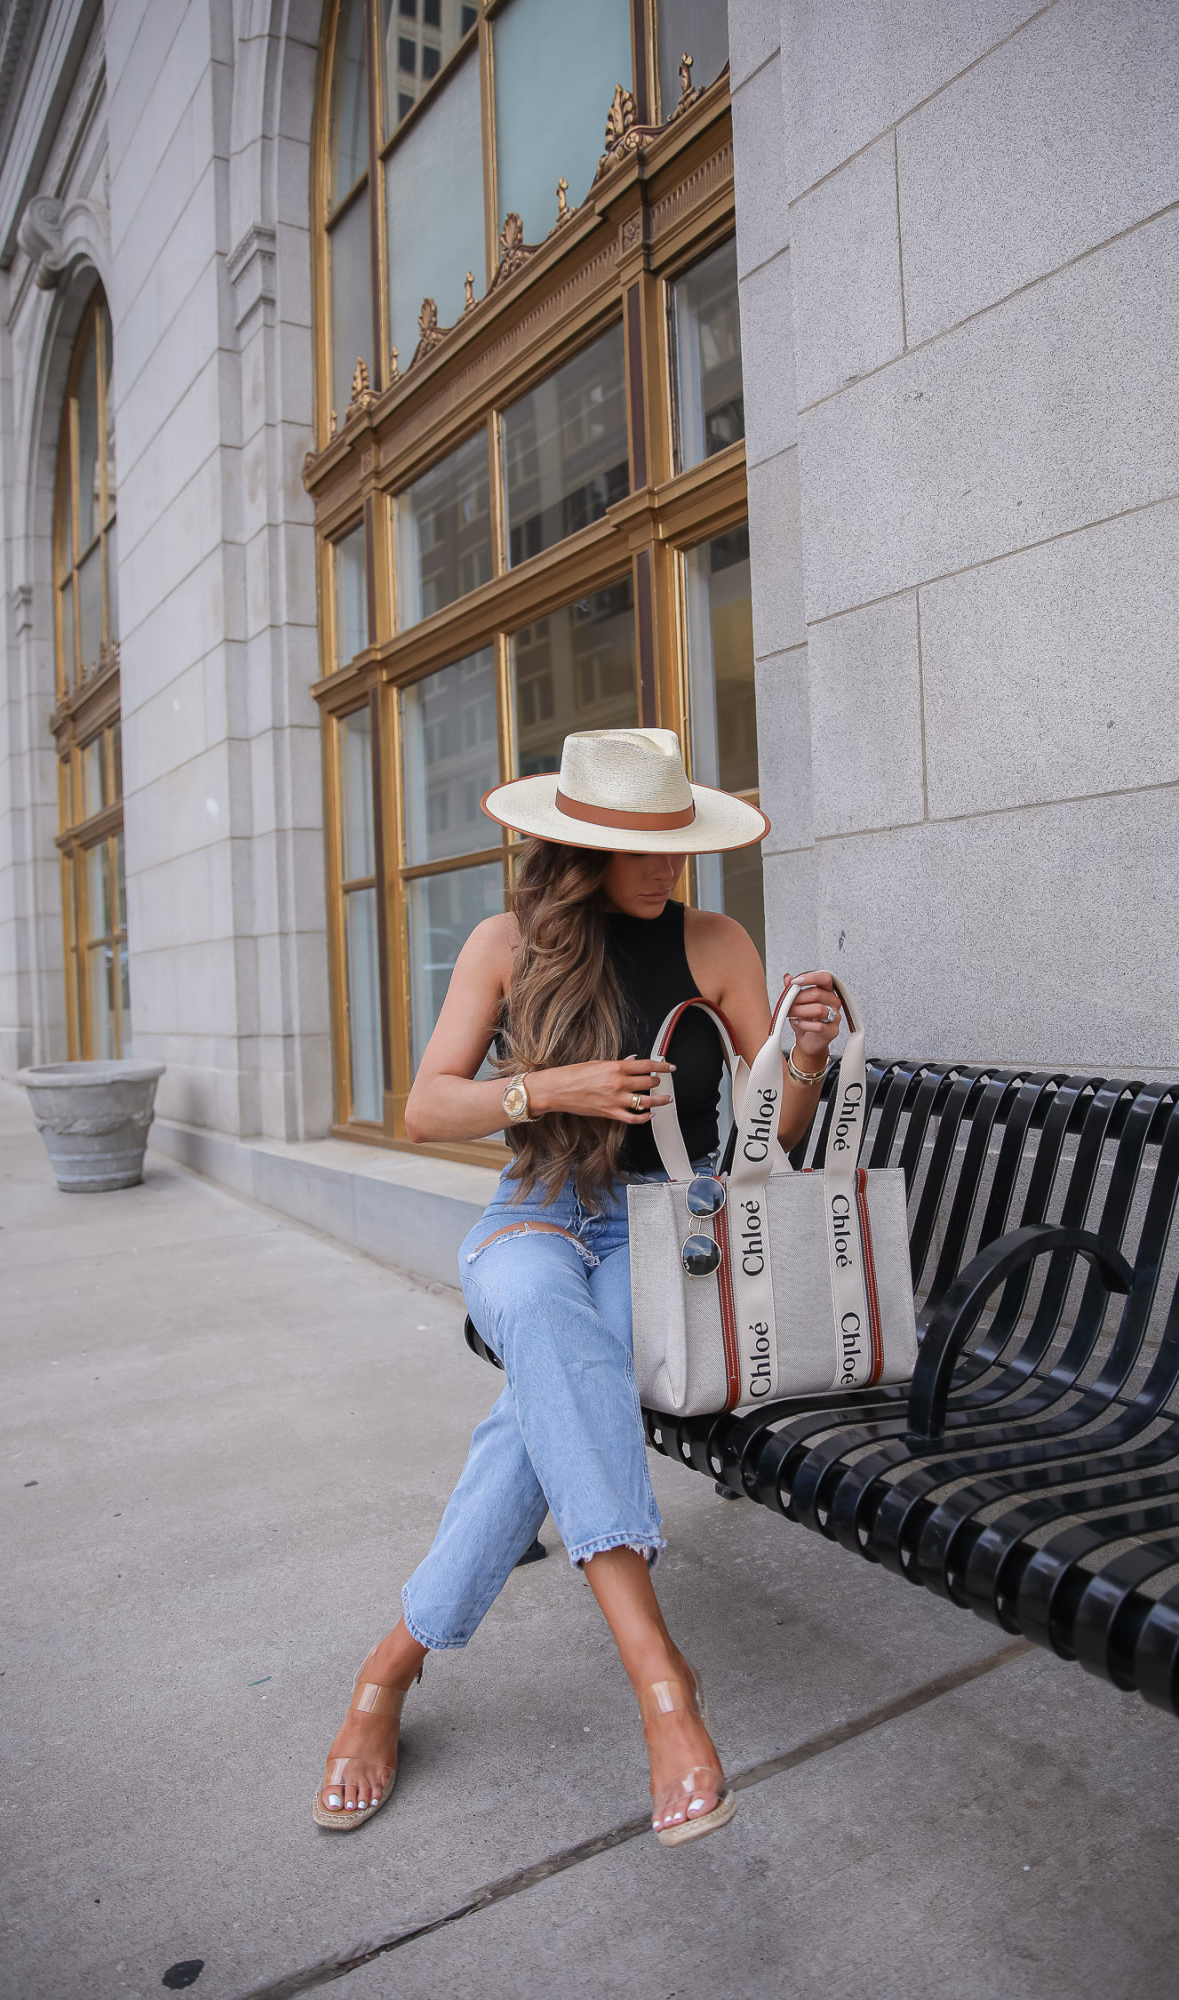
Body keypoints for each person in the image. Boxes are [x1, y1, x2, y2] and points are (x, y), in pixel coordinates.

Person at [315, 727, 844, 1845]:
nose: (666, 865)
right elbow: (429, 1106)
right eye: (637, 846)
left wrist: (803, 1054)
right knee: (548, 1326)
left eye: (674, 842)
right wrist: (553, 1083)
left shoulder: (716, 941)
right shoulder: (510, 944)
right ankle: (662, 1682)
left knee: (541, 1402)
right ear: (580, 847)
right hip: (538, 1215)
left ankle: (390, 1663)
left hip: (666, 1231)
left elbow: (774, 1136)